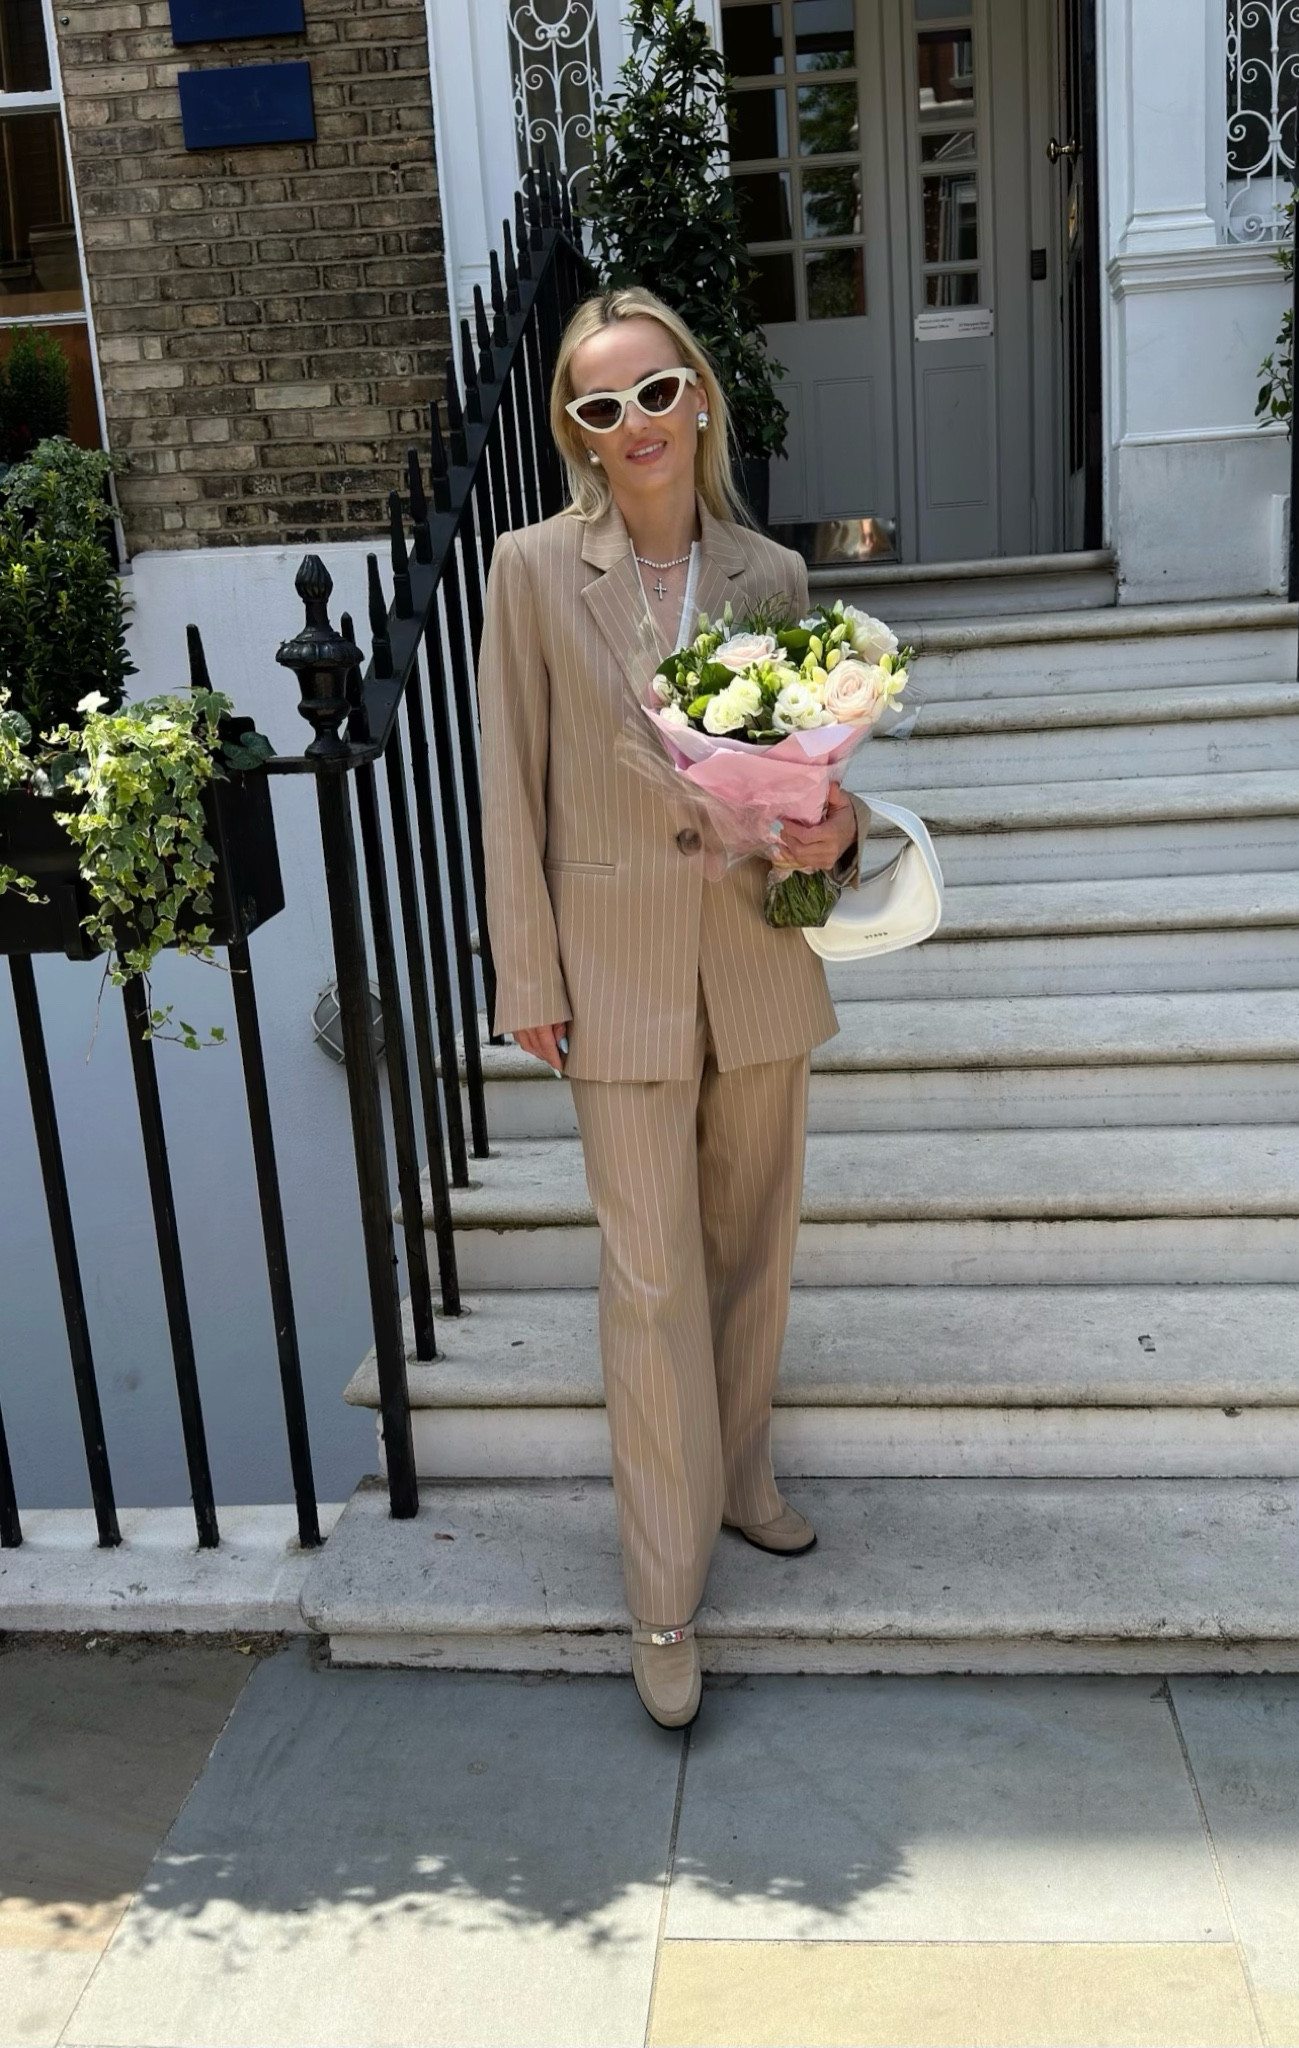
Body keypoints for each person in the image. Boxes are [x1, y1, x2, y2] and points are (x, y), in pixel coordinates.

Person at [476, 286, 865, 1730]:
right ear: (575, 438)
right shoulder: (527, 573)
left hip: (755, 959)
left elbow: (807, 781)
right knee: (647, 1288)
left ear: (698, 396)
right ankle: (659, 1593)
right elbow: (505, 780)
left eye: (652, 393)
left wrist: (839, 832)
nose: (630, 425)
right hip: (616, 974)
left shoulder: (767, 576)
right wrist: (528, 972)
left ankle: (742, 1474)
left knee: (750, 1244)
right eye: (597, 407)